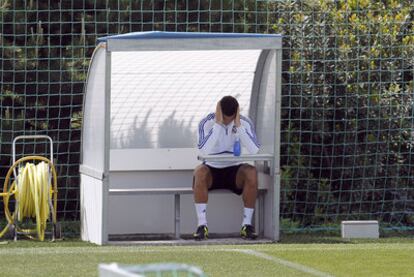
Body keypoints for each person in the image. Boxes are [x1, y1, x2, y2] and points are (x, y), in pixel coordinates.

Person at [193, 95, 260, 240]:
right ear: (219, 111)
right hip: (212, 170)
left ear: (236, 112)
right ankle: (202, 226)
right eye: (225, 117)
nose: (228, 121)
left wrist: (239, 126)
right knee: (199, 172)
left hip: (234, 171)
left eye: (231, 117)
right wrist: (218, 124)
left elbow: (254, 150)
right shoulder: (207, 123)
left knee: (251, 172)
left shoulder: (244, 122)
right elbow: (203, 150)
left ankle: (246, 225)